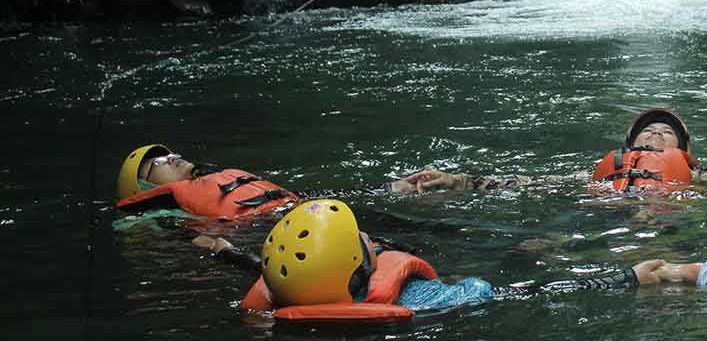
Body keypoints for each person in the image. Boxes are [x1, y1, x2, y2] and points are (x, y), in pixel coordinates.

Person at [196, 199, 644, 324]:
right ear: (356, 270)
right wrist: (626, 276)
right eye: (362, 241)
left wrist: (225, 251)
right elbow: (528, 293)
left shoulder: (288, 291)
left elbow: (268, 269)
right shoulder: (425, 299)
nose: (371, 239)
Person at [392, 107, 707, 195]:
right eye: (648, 130)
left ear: (684, 148)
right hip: (608, 218)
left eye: (665, 132)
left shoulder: (698, 176)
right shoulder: (601, 173)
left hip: (668, 223)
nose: (655, 134)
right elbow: (531, 183)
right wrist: (457, 181)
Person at [115, 144, 297, 219]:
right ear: (145, 188)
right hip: (256, 230)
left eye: (169, 155)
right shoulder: (166, 217)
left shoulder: (221, 178)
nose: (170, 159)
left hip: (289, 210)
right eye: (157, 163)